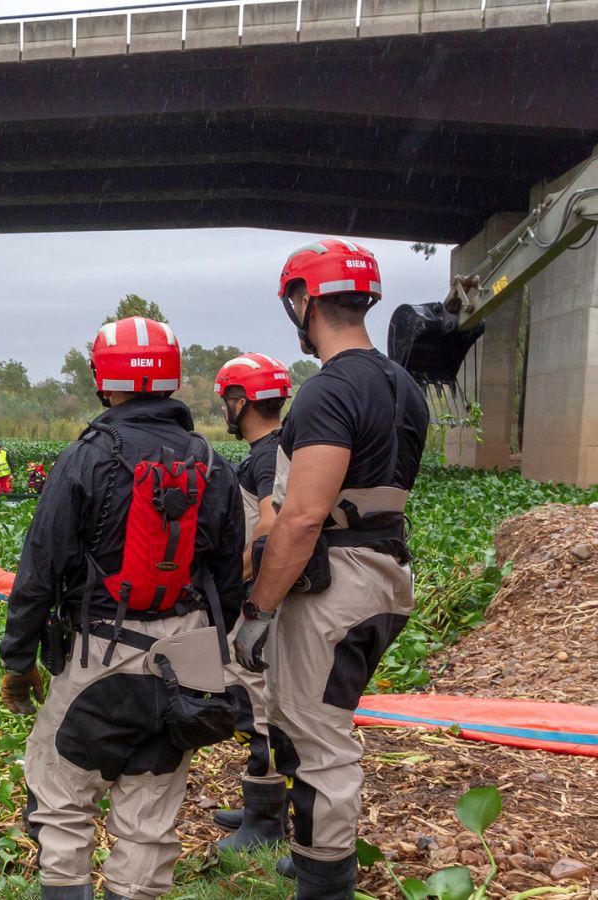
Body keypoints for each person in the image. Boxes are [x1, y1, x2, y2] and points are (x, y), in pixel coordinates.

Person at [0, 316, 247, 900]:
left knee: (61, 797)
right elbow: (228, 577)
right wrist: (215, 654)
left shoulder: (86, 457)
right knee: (151, 810)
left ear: (103, 381)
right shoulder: (211, 462)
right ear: (170, 379)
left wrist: (19, 660)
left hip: (100, 656)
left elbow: (39, 571)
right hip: (185, 661)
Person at [235, 239, 427, 898]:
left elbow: (302, 518)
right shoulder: (404, 386)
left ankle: (327, 884)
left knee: (317, 738)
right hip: (387, 574)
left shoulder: (327, 392)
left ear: (302, 301)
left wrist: (258, 609)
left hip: (337, 584)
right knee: (315, 724)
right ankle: (315, 855)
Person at [209, 353, 293, 850]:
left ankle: (265, 822)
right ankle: (263, 800)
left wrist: (231, 576)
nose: (224, 409)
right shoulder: (282, 447)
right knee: (260, 699)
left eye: (226, 400)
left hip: (260, 598)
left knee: (256, 703)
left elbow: (271, 523)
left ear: (241, 402)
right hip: (268, 596)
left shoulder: (267, 454)